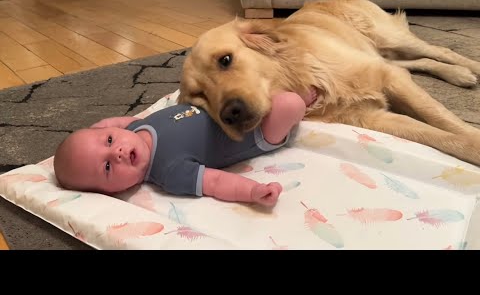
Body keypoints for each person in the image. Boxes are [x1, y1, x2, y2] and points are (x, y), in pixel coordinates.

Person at [53, 89, 317, 207]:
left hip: (231, 105)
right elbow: (215, 182)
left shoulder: (132, 130)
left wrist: (104, 124)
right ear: (113, 191)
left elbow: (122, 122)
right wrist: (252, 191)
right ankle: (299, 106)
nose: (117, 151)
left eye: (108, 140)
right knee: (288, 104)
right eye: (107, 166)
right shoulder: (169, 172)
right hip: (254, 132)